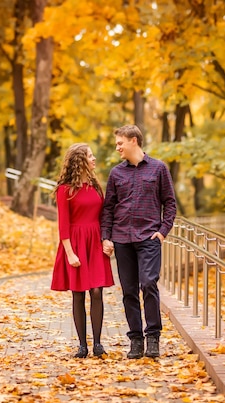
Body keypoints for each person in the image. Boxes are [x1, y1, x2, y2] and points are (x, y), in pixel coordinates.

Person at [101, 124, 177, 359]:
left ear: (134, 141)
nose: (117, 148)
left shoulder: (158, 169)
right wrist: (106, 236)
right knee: (129, 291)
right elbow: (109, 208)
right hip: (122, 240)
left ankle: (153, 336)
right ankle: (136, 340)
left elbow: (170, 203)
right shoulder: (116, 173)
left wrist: (163, 231)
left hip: (148, 238)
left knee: (149, 284)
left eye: (120, 143)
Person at [51, 143, 115, 358]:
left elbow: (104, 215)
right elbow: (63, 224)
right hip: (75, 242)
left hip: (95, 241)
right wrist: (70, 253)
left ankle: (97, 343)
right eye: (90, 156)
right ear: (80, 161)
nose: (94, 159)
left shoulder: (96, 186)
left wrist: (107, 239)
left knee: (97, 291)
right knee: (78, 294)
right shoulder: (64, 189)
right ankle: (82, 345)